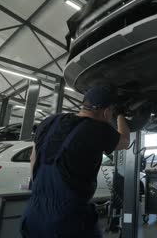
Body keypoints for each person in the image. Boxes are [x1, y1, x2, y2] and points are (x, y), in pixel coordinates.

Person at [20, 84, 130, 238]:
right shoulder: (97, 129)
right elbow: (125, 141)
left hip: (33, 213)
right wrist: (120, 116)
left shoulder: (50, 121)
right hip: (68, 220)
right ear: (106, 112)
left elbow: (33, 158)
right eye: (110, 112)